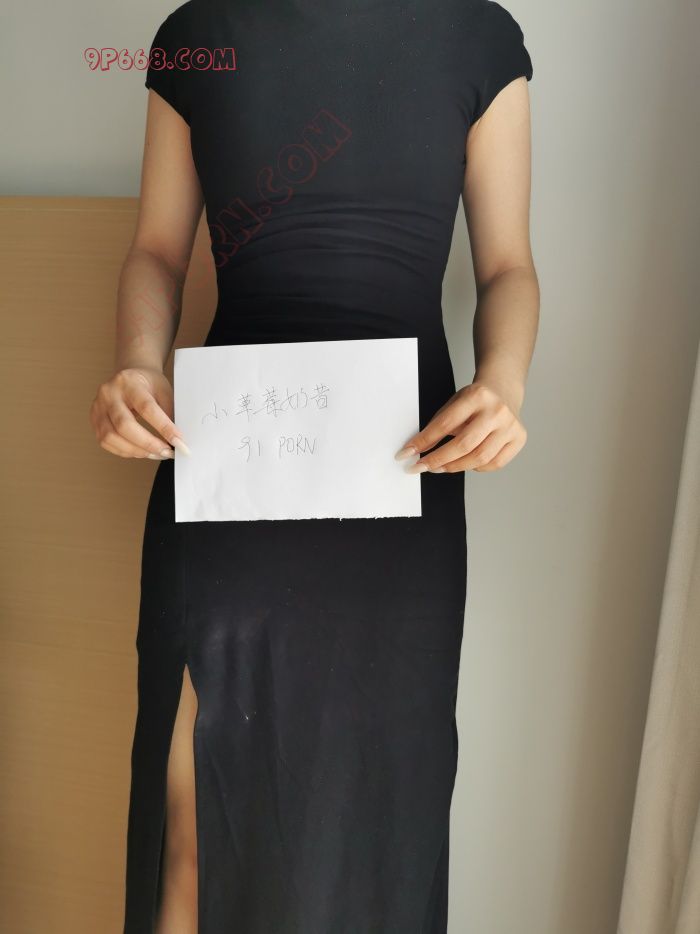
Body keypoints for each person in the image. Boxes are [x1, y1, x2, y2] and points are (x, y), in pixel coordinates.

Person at [89, 0, 539, 930]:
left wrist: (504, 381)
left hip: (398, 483)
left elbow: (507, 269)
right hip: (231, 472)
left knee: (373, 825)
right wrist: (136, 363)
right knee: (194, 829)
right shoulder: (197, 37)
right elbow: (157, 251)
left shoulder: (479, 36)